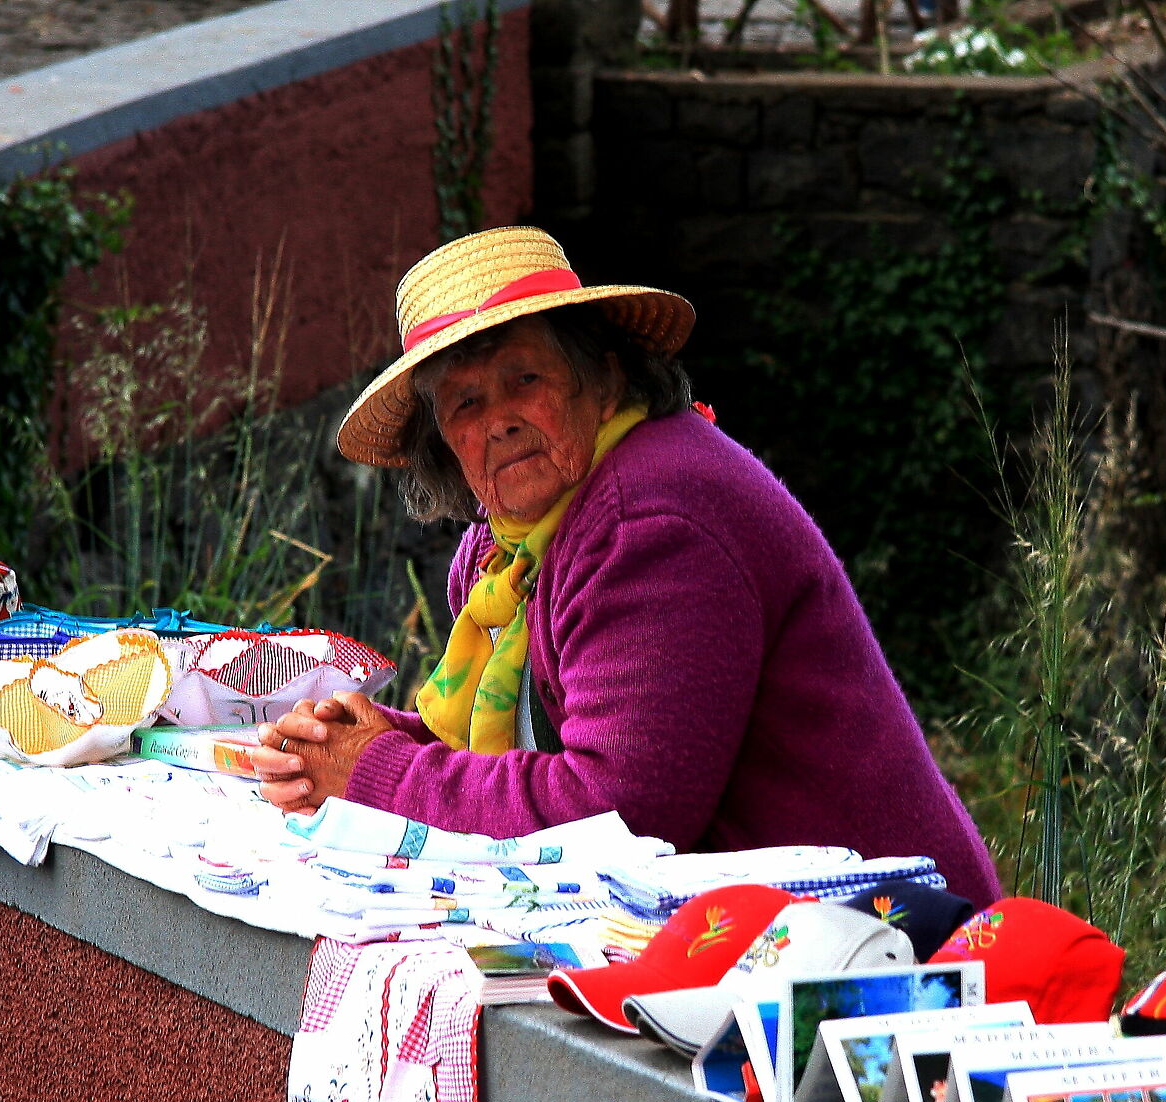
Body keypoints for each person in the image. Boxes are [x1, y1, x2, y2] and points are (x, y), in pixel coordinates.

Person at [245, 227, 999, 906]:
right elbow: (534, 750)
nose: (498, 418)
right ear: (443, 442)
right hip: (763, 922)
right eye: (464, 402)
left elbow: (620, 809)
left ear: (604, 379)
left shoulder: (651, 521)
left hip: (889, 941)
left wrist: (380, 772)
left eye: (524, 380)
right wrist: (367, 740)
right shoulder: (511, 555)